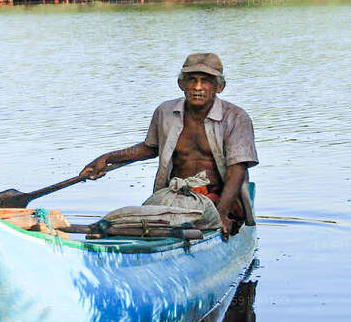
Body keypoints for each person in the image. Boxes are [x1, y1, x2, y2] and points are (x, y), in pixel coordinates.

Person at [81, 53, 257, 238]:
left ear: (219, 87)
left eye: (205, 81)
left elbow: (237, 170)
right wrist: (107, 159)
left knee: (178, 223)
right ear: (181, 84)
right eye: (191, 80)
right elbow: (150, 148)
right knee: (128, 221)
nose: (197, 87)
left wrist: (221, 213)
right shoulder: (165, 112)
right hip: (172, 196)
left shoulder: (236, 117)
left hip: (217, 199)